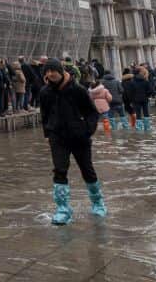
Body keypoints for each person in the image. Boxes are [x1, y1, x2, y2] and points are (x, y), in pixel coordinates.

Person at [39, 58, 105, 224]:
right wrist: (48, 134)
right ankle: (63, 209)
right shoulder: (45, 92)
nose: (49, 74)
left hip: (79, 136)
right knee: (59, 170)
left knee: (87, 169)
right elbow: (44, 115)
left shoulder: (78, 90)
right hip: (58, 137)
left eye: (52, 70)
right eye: (46, 72)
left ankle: (98, 203)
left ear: (60, 71)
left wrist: (87, 131)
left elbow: (92, 113)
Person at [122, 67, 154, 132]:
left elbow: (130, 93)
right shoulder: (145, 81)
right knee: (146, 113)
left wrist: (131, 100)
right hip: (144, 100)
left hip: (136, 101)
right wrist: (146, 96)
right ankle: (147, 128)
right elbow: (151, 90)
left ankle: (139, 130)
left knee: (138, 115)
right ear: (139, 73)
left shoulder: (132, 82)